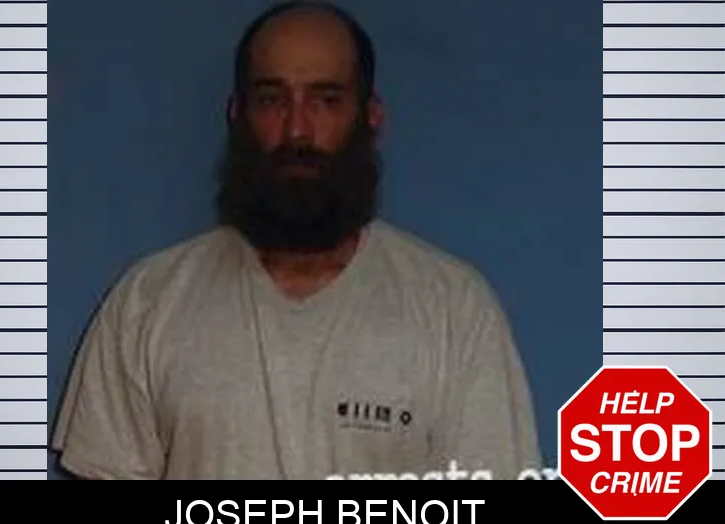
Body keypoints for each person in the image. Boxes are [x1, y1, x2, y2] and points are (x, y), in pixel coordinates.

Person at [50, 0, 542, 480]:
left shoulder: (454, 309)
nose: (297, 129)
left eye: (326, 100)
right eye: (272, 100)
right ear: (237, 114)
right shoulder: (148, 301)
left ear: (371, 117)